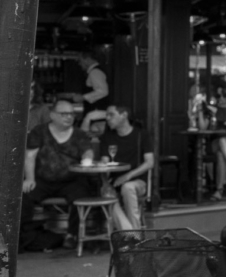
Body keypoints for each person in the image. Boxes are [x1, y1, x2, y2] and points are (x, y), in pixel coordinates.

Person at [20, 99, 96, 251]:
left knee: (80, 196)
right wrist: (29, 179)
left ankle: (72, 235)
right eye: (64, 114)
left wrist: (87, 159)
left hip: (71, 180)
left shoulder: (79, 134)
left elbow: (87, 150)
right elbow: (30, 156)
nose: (69, 117)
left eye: (71, 114)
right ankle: (24, 236)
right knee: (23, 196)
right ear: (52, 115)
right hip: (43, 179)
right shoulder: (39, 131)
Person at [101, 105, 153, 230]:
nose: (107, 118)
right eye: (106, 115)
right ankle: (131, 235)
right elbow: (104, 162)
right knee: (106, 194)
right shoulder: (107, 137)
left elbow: (150, 162)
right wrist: (105, 182)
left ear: (124, 115)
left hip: (138, 181)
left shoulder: (142, 135)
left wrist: (128, 176)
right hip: (114, 182)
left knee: (128, 187)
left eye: (111, 114)